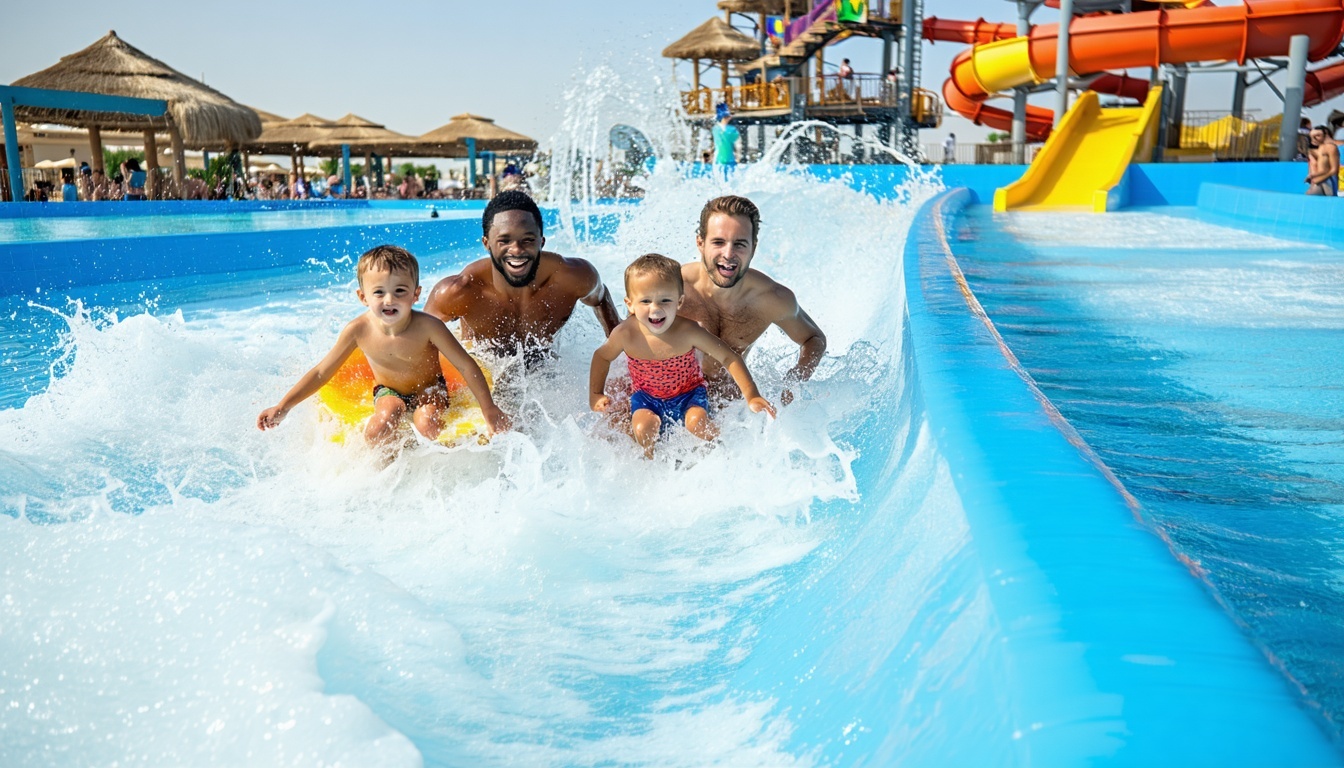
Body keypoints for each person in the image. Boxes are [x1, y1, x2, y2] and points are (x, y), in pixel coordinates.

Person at [257, 245, 510, 448]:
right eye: (379, 292)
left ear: (416, 294)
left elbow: (465, 365)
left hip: (430, 388)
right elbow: (323, 372)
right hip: (388, 390)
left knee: (427, 425)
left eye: (400, 290)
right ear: (363, 297)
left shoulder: (429, 327)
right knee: (380, 426)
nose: (389, 300)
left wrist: (489, 410)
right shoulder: (358, 330)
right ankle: (387, 471)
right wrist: (283, 407)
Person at [590, 253, 775, 459]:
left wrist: (752, 395)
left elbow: (728, 357)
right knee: (643, 428)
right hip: (646, 398)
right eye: (645, 301)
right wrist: (596, 394)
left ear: (679, 302)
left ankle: (726, 451)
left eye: (665, 300)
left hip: (689, 394)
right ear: (630, 304)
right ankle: (652, 463)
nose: (656, 308)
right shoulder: (625, 334)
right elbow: (602, 357)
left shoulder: (688, 331)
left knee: (697, 424)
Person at [425, 190, 621, 365]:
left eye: (527, 240)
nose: (517, 250)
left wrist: (621, 358)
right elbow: (413, 338)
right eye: (504, 240)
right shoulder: (458, 291)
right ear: (487, 243)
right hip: (484, 373)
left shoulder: (574, 277)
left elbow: (601, 298)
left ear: (541, 242)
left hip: (545, 372)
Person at [679, 195, 826, 405]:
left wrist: (795, 380)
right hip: (674, 402)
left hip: (731, 411)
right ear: (700, 243)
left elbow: (814, 339)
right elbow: (629, 339)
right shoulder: (672, 288)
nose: (728, 254)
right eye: (718, 242)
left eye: (740, 244)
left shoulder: (771, 299)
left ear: (753, 247)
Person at [1306, 125, 1340, 196]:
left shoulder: (1331, 148)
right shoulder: (1320, 148)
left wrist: (1320, 178)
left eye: (1317, 136)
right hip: (1319, 181)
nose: (1314, 139)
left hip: (1327, 180)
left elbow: (1334, 170)